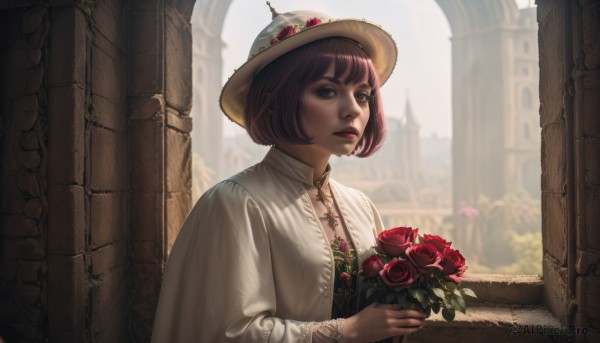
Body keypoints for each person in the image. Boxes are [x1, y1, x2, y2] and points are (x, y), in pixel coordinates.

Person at [152, 4, 427, 343]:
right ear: (278, 99)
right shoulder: (235, 204)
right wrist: (350, 331)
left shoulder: (360, 206)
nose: (353, 109)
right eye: (327, 90)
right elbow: (226, 333)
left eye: (363, 95)